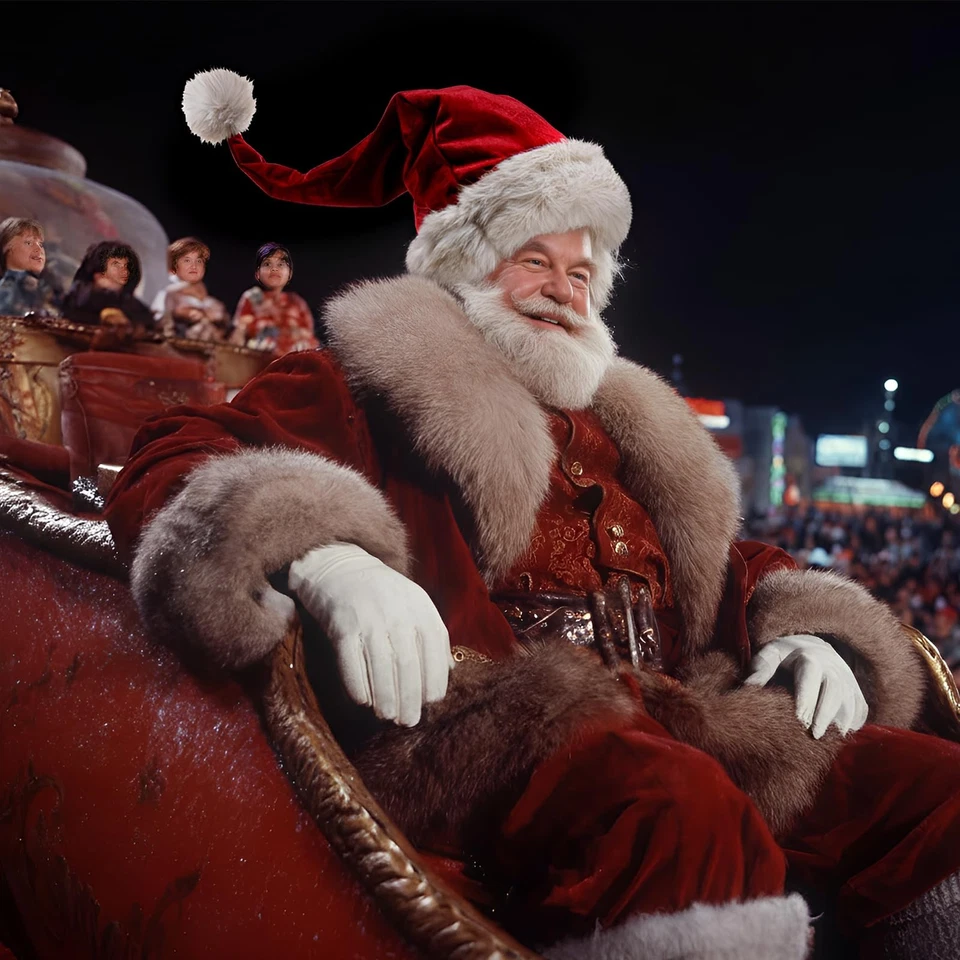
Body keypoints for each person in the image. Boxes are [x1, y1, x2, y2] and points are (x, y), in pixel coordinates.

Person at [104, 71, 960, 960]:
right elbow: (173, 455)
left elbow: (721, 566)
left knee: (930, 791)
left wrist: (814, 630)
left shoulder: (624, 425)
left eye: (581, 272)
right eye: (534, 260)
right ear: (463, 263)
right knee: (676, 813)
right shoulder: (360, 382)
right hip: (491, 732)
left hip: (687, 716)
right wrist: (327, 555)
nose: (563, 289)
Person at [229, 242, 318, 354]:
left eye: (280, 264)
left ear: (290, 273)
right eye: (267, 264)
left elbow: (309, 333)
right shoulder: (252, 297)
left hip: (296, 356)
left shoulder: (296, 301)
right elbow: (240, 331)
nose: (274, 269)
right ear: (257, 274)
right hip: (262, 356)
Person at [61, 240, 154, 338]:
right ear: (99, 271)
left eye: (127, 267)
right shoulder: (78, 297)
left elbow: (146, 321)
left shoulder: (135, 308)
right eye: (116, 265)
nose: (123, 271)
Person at [157, 236, 229, 341]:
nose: (194, 266)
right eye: (187, 260)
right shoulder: (169, 292)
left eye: (199, 261)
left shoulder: (212, 299)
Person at [0, 217, 61, 317]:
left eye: (40, 244)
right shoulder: (11, 285)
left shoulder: (40, 284)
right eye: (29, 243)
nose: (38, 249)